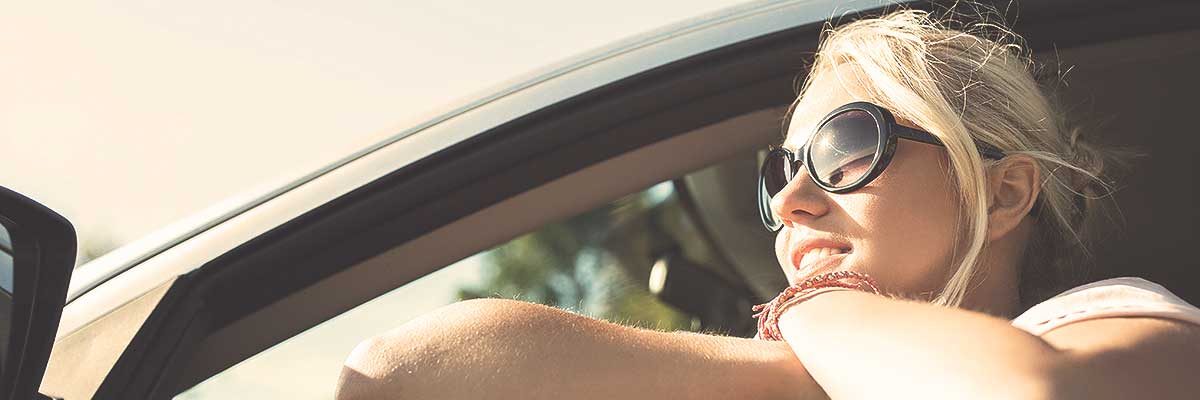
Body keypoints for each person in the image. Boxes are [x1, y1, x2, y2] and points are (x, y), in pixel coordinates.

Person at [334, 7, 1200, 400]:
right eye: (779, 169)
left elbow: (1026, 395)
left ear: (1003, 192)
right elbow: (407, 373)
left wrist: (811, 310)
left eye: (847, 149)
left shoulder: (1117, 319)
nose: (790, 198)